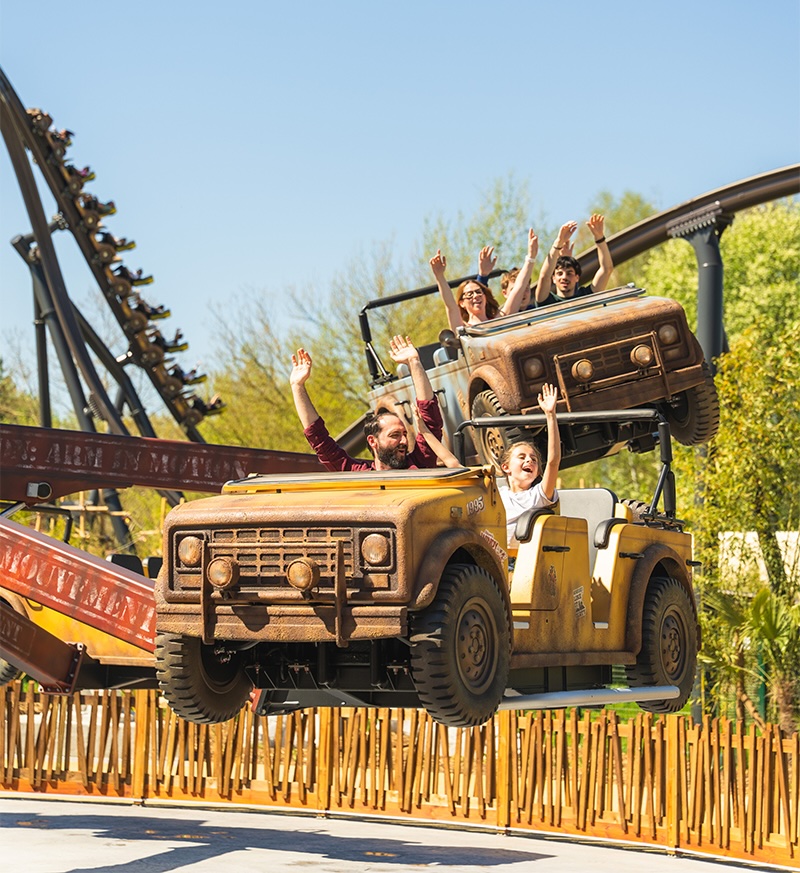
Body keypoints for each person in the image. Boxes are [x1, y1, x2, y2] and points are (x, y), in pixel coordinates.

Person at [290, 336, 444, 472]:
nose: (404, 441)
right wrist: (297, 387)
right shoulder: (359, 474)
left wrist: (414, 362)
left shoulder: (419, 463)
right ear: (372, 441)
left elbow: (430, 419)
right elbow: (319, 440)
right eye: (395, 435)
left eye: (404, 434)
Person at [430, 229, 539, 334]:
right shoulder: (463, 330)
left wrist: (530, 257)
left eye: (478, 292)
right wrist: (439, 276)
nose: (475, 296)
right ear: (462, 303)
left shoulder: (498, 321)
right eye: (469, 294)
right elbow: (451, 306)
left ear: (485, 297)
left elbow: (518, 290)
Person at [497, 384, 561, 549]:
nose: (529, 461)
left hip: (524, 560)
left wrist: (550, 415)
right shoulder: (497, 495)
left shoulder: (538, 496)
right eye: (522, 457)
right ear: (506, 467)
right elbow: (454, 464)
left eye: (533, 459)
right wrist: (425, 432)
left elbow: (553, 461)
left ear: (538, 471)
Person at [534, 214, 613, 306]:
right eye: (559, 273)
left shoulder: (586, 297)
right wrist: (558, 243)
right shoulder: (546, 301)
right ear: (554, 279)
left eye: (569, 273)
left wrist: (599, 238)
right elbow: (544, 276)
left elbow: (606, 269)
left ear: (577, 278)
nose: (564, 277)